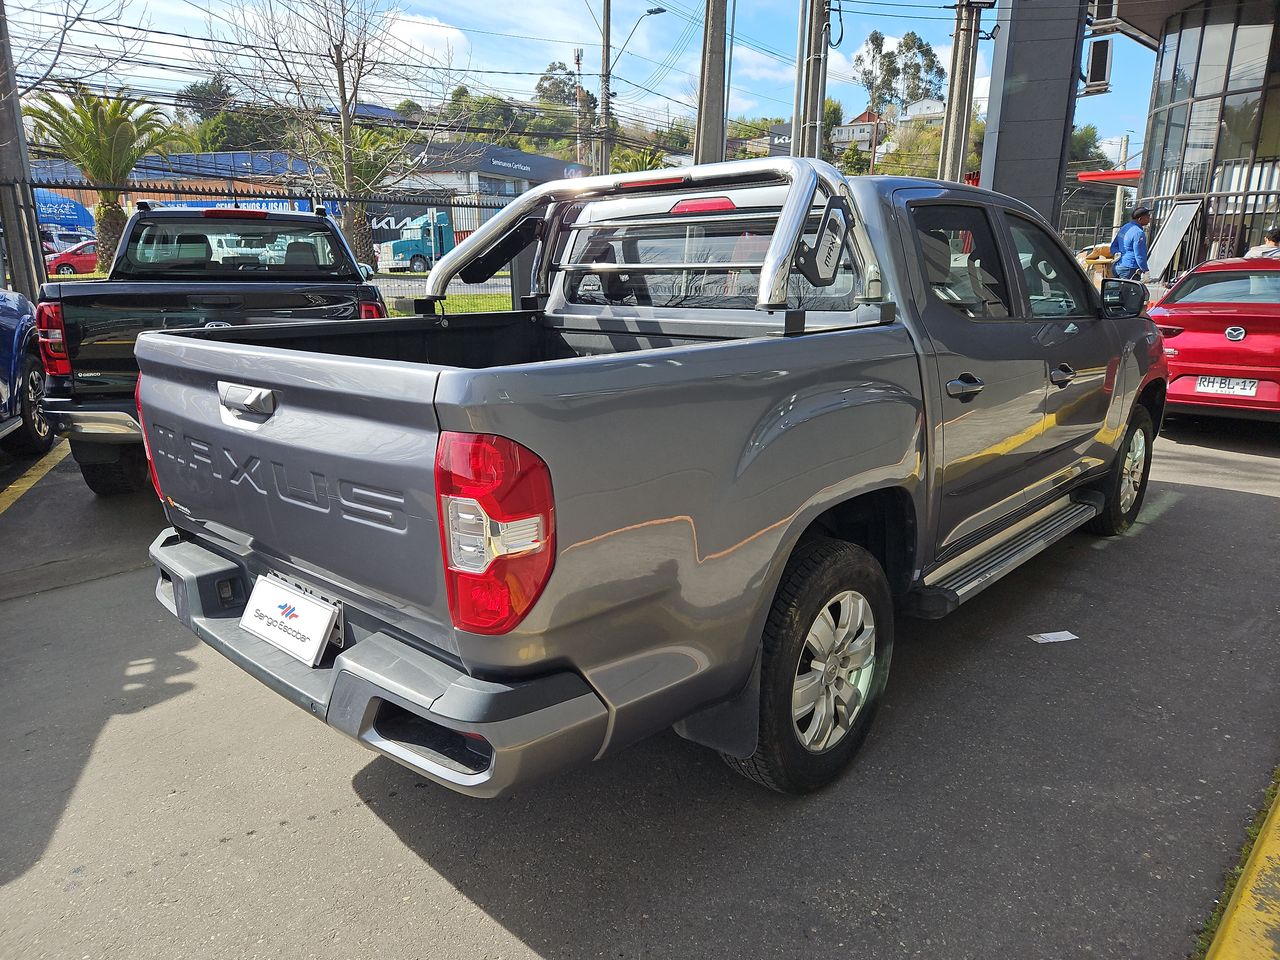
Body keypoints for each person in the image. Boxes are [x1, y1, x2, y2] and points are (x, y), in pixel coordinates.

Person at [1110, 207, 1151, 280]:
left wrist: (1116, 253)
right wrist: (1145, 270)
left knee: (1117, 290)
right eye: (1148, 217)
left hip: (1117, 267)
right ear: (1140, 219)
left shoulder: (1125, 227)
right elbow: (1139, 254)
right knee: (1128, 290)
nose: (1149, 219)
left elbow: (1113, 246)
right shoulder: (1139, 233)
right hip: (1130, 268)